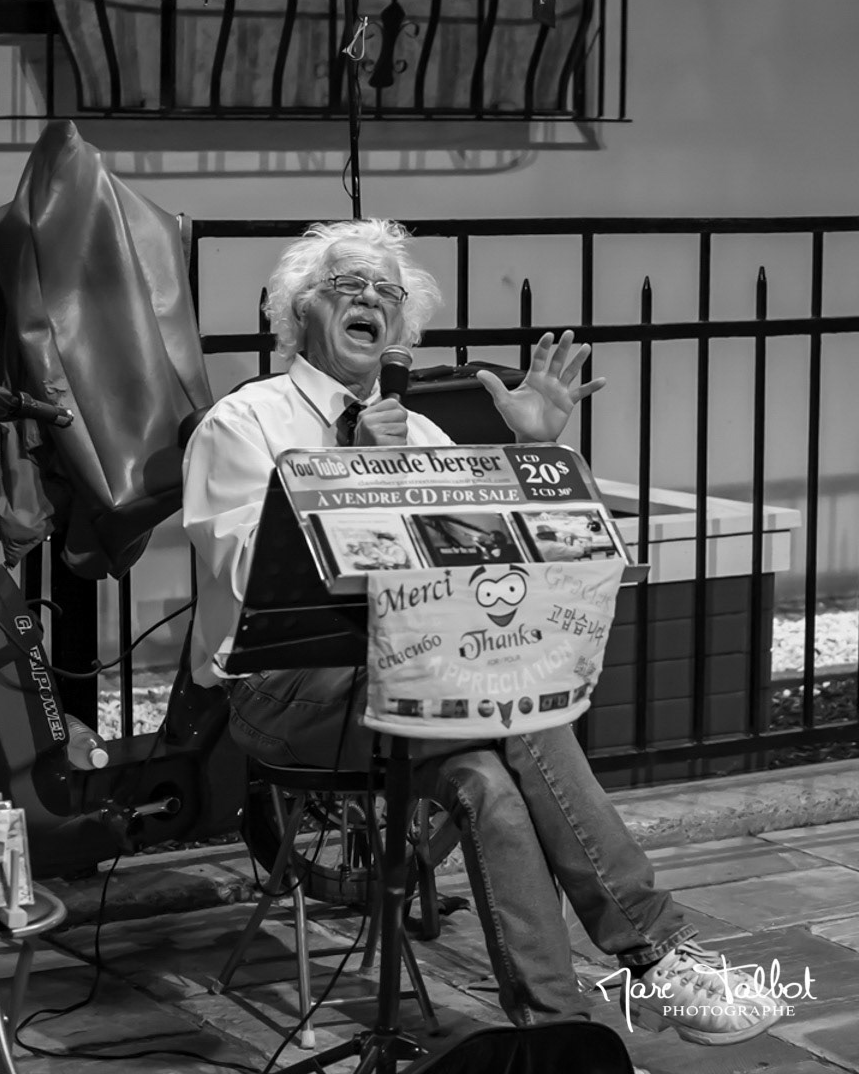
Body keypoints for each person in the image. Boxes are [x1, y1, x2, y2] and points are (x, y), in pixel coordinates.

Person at [182, 218, 783, 1049]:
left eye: (387, 291)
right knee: (512, 709)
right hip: (286, 692)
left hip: (423, 682)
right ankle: (656, 951)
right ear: (298, 312)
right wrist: (353, 470)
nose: (370, 299)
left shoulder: (422, 432)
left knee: (487, 779)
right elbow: (253, 576)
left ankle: (555, 1037)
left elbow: (503, 568)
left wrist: (535, 451)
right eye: (348, 284)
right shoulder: (242, 423)